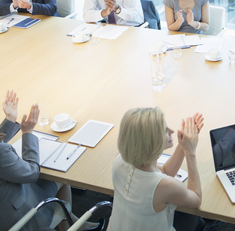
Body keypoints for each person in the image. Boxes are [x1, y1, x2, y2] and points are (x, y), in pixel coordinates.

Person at [0, 91, 98, 231]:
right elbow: (32, 172)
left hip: (8, 201)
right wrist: (27, 133)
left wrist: (9, 119)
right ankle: (71, 226)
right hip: (20, 216)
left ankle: (73, 225)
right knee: (61, 179)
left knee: (58, 179)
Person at [108, 107, 205, 231]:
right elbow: (196, 199)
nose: (172, 131)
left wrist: (183, 146)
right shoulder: (166, 186)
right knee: (195, 220)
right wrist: (190, 152)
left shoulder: (120, 159)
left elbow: (165, 171)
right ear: (151, 141)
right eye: (165, 130)